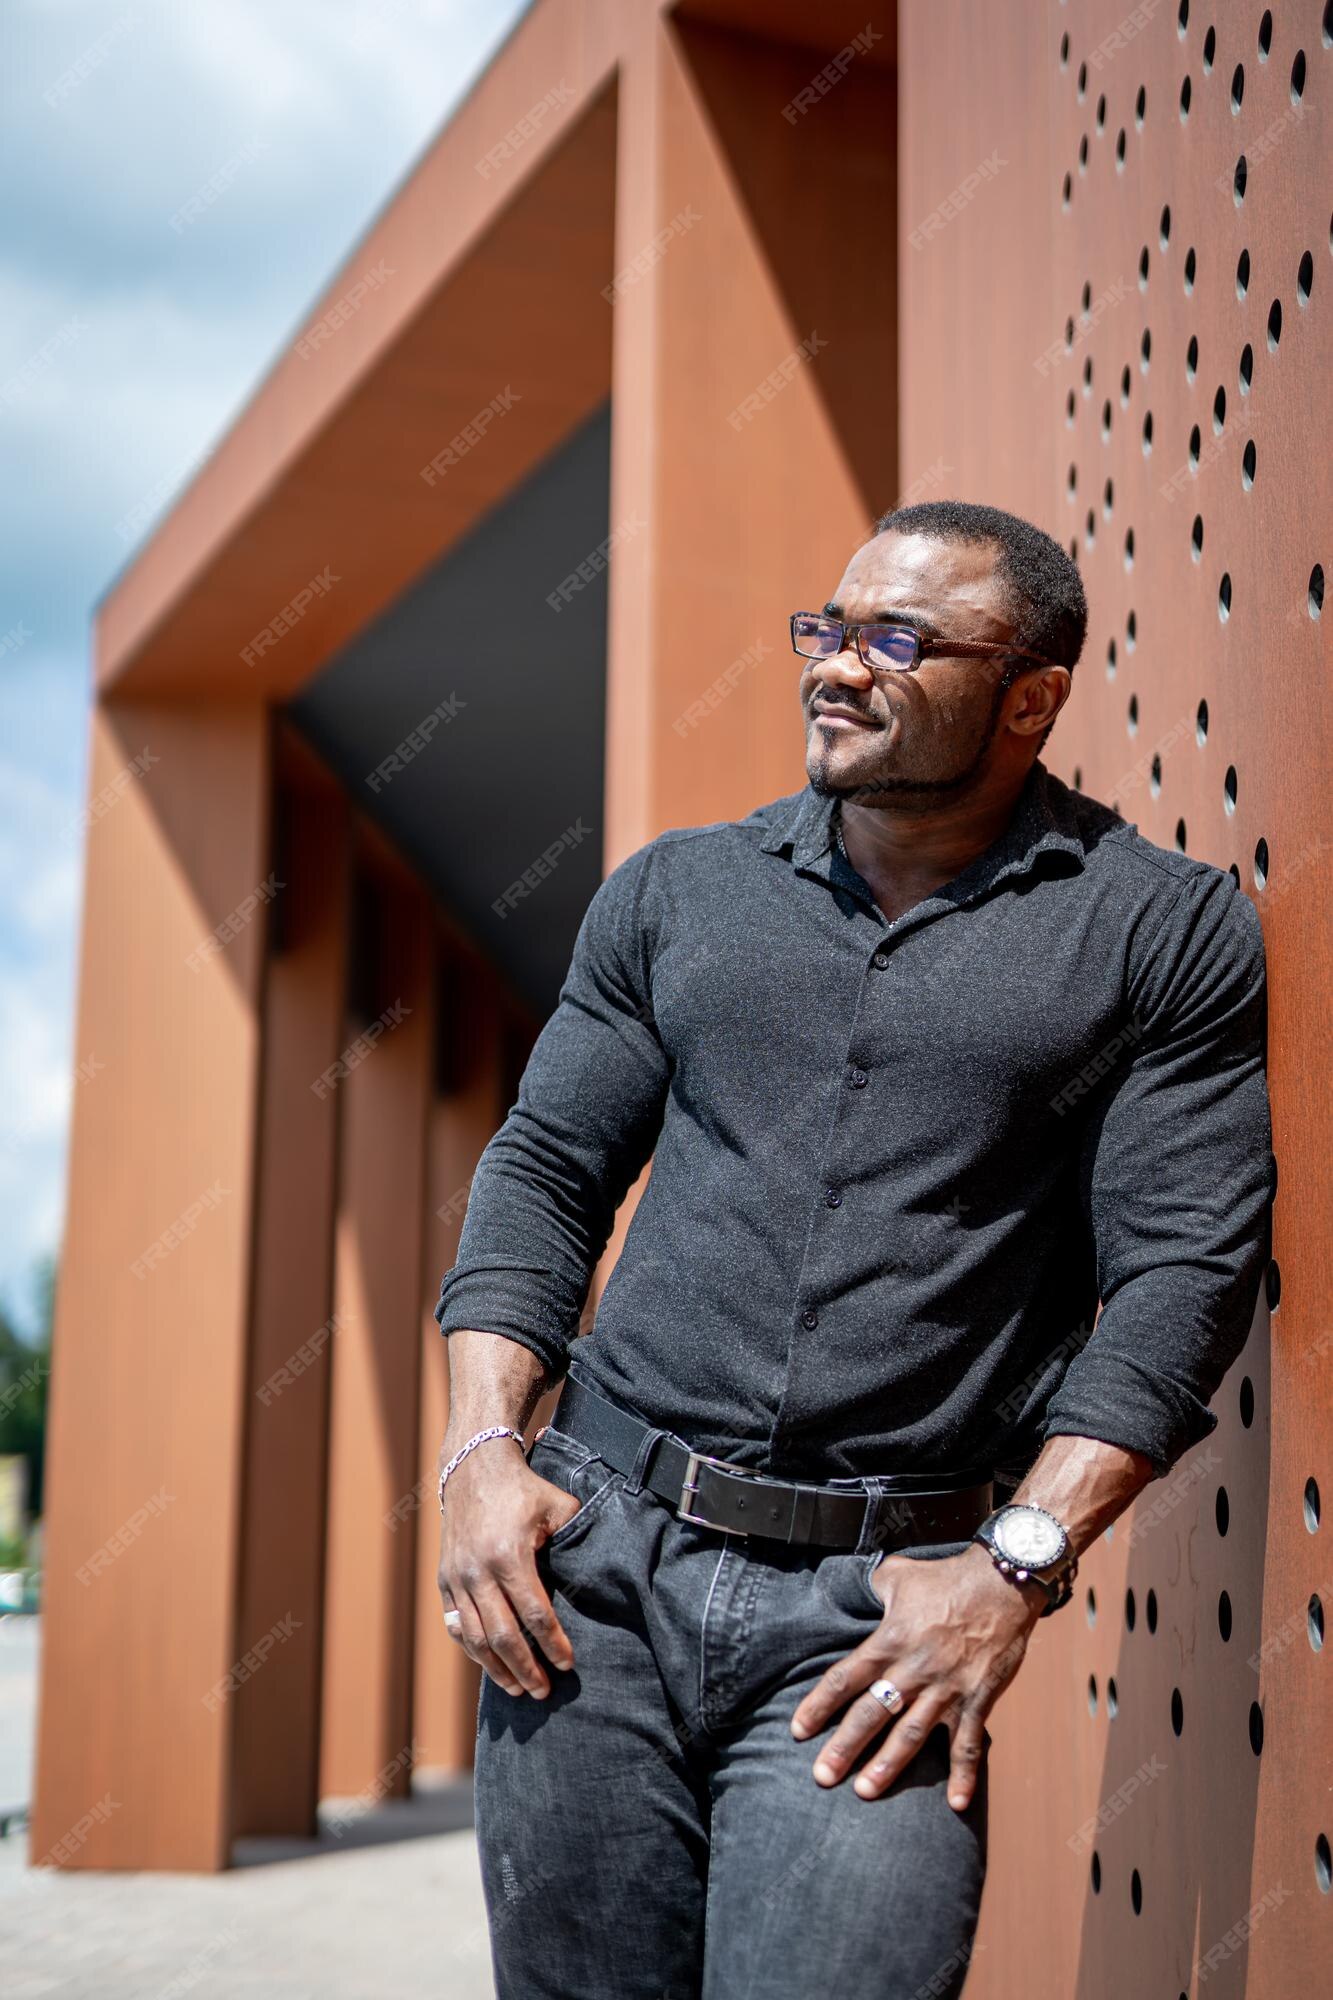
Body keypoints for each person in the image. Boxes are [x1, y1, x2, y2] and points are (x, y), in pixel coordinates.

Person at [433, 499, 1272, 1999]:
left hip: (882, 1615)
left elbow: (1180, 1274)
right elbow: (546, 1173)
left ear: (1029, 698)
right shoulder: (674, 895)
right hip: (596, 1574)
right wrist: (479, 1453)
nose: (836, 669)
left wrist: (1014, 1570)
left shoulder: (1158, 932)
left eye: (898, 640)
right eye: (827, 631)